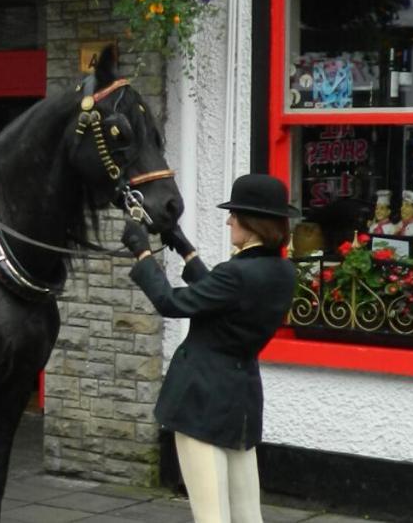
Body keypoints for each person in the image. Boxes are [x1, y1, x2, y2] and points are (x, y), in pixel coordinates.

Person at [120, 173, 297, 523]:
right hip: (240, 399)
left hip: (200, 399)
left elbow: (171, 302)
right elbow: (219, 298)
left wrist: (142, 254)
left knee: (211, 515)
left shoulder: (236, 274)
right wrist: (185, 249)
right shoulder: (282, 271)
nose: (229, 220)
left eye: (235, 215)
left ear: (251, 223)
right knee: (248, 515)